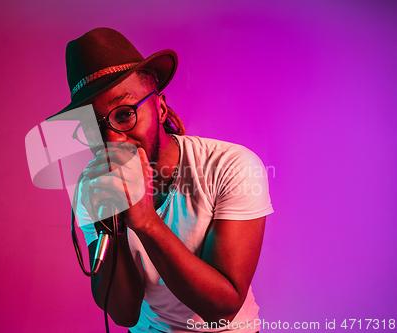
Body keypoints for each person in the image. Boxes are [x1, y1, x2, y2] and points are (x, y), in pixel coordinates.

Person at [48, 27, 273, 333]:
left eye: (125, 114)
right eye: (93, 127)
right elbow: (123, 314)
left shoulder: (231, 165)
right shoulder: (95, 188)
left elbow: (222, 308)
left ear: (160, 106)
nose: (112, 139)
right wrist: (111, 223)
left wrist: (146, 222)